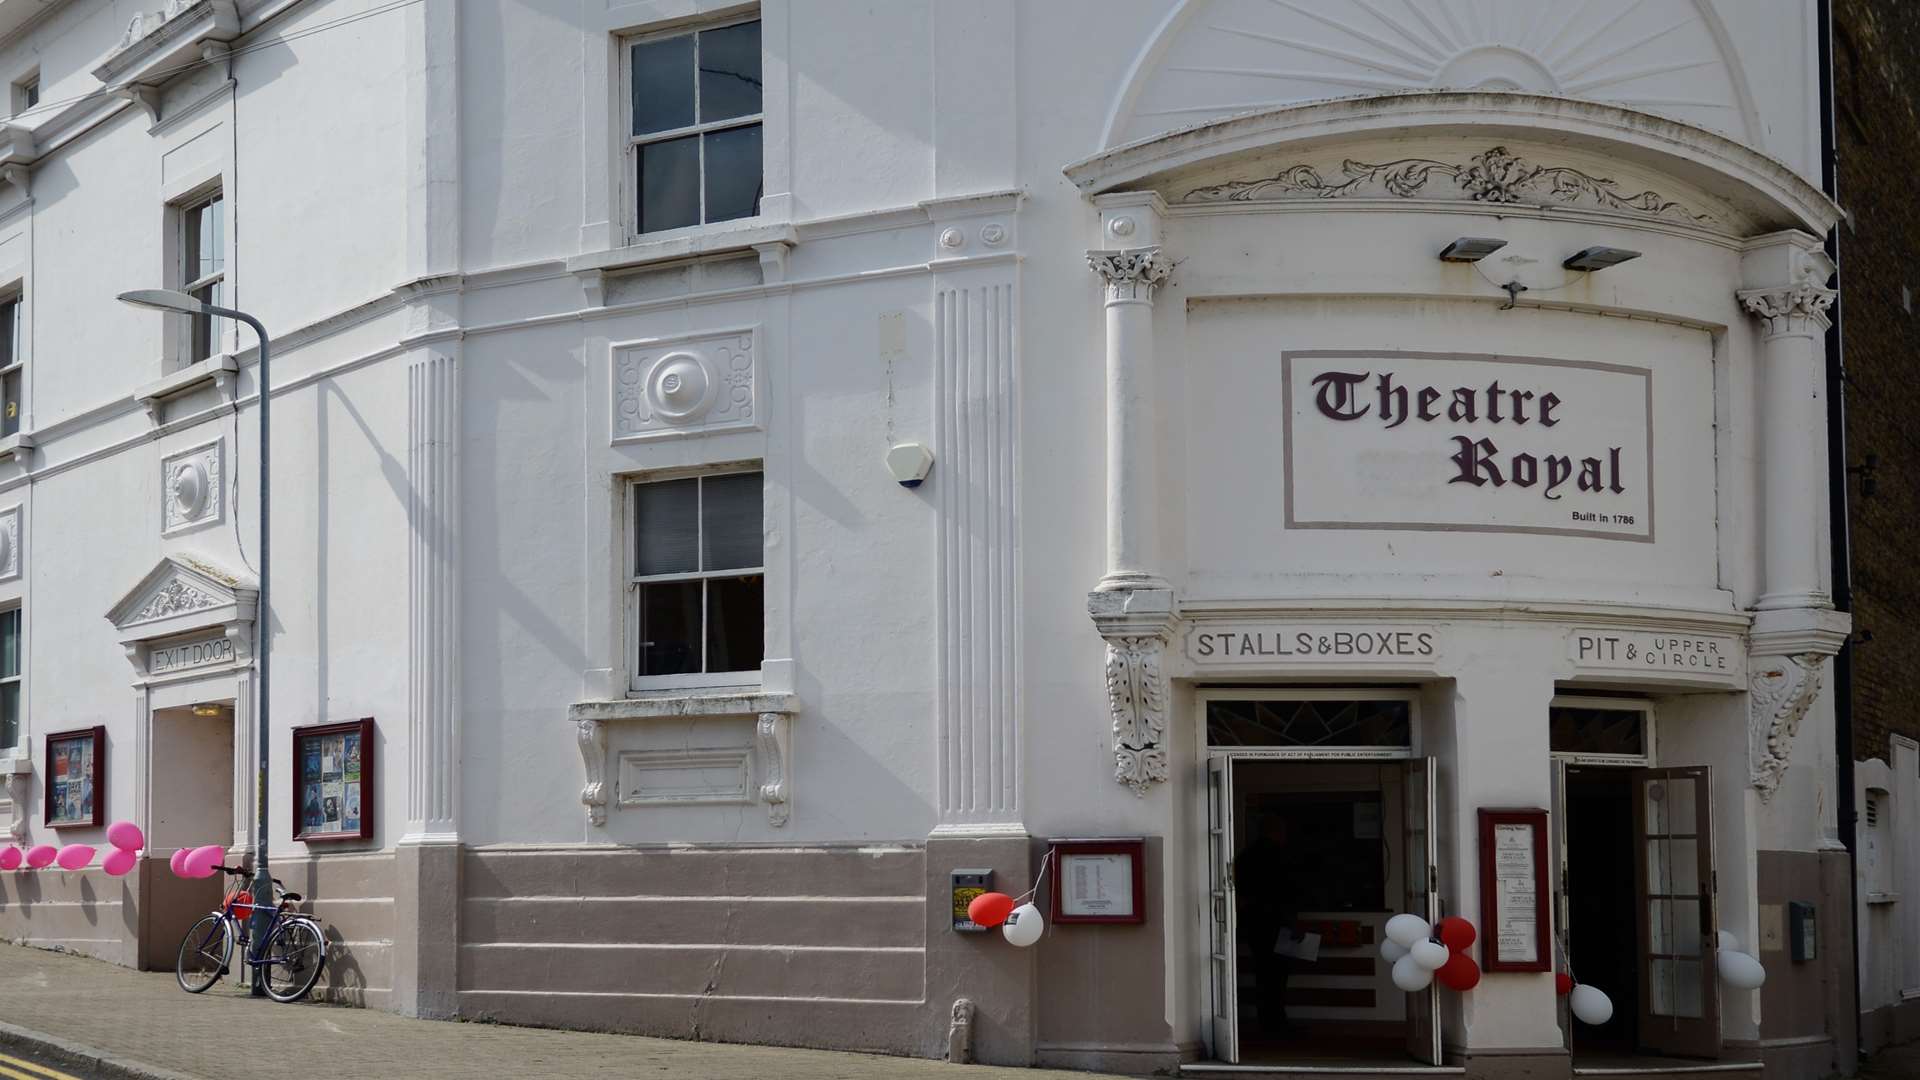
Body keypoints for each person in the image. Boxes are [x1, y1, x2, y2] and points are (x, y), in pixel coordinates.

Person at [1236, 813, 1302, 1037]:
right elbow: (1286, 892)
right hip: (1277, 922)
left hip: (1255, 923)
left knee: (1263, 973)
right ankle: (1276, 1023)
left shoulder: (1246, 856)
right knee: (1277, 975)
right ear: (1276, 832)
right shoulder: (1281, 857)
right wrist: (1293, 922)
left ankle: (1267, 1021)